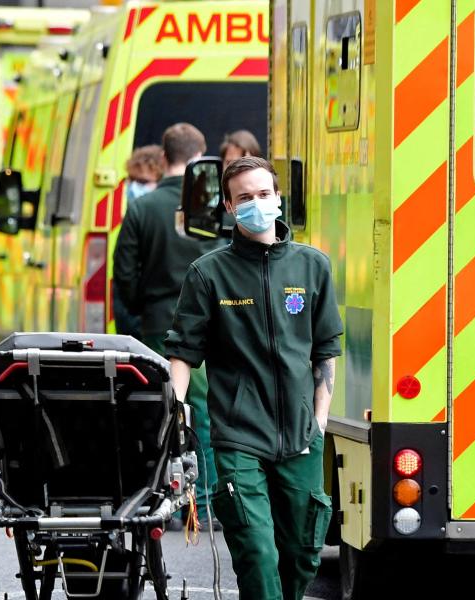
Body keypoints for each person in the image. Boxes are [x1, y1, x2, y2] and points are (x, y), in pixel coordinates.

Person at [165, 157, 343, 600]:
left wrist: (320, 421)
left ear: (278, 197)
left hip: (301, 437)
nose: (256, 203)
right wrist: (178, 412)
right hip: (239, 437)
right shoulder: (208, 273)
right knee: (258, 554)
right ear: (229, 206)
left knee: (302, 554)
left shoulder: (312, 266)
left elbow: (326, 350)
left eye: (264, 194)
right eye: (244, 197)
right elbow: (183, 352)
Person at [114, 123, 223, 527]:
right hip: (208, 325)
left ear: (163, 157)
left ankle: (158, 498)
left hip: (157, 325)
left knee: (158, 413)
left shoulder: (142, 208)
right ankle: (205, 503)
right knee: (204, 414)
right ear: (200, 156)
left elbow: (124, 272)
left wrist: (141, 308)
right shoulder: (211, 206)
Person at [115, 144, 165, 339]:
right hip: (133, 316)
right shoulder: (133, 215)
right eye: (132, 179)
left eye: (143, 181)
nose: (134, 187)